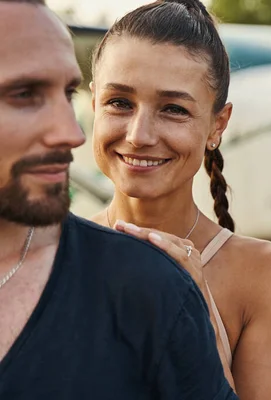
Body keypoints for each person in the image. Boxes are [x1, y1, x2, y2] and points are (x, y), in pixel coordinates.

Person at [0, 1, 238, 399]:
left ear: (218, 124)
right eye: (25, 95)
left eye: (65, 93)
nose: (72, 133)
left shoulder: (156, 286)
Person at [86, 0, 271, 398]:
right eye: (119, 102)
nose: (139, 134)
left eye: (173, 109)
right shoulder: (52, 254)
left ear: (217, 125)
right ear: (93, 101)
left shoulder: (266, 275)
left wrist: (194, 309)